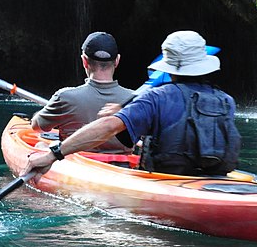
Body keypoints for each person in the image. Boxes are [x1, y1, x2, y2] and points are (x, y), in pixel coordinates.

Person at [21, 30, 241, 179]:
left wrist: (53, 154)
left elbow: (107, 127)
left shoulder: (156, 98)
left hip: (166, 181)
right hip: (214, 180)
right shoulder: (225, 100)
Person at [30, 31, 135, 151]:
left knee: (40, 146)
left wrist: (40, 115)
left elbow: (37, 127)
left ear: (84, 61)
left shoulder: (65, 96)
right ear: (117, 61)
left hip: (74, 164)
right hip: (121, 167)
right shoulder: (136, 99)